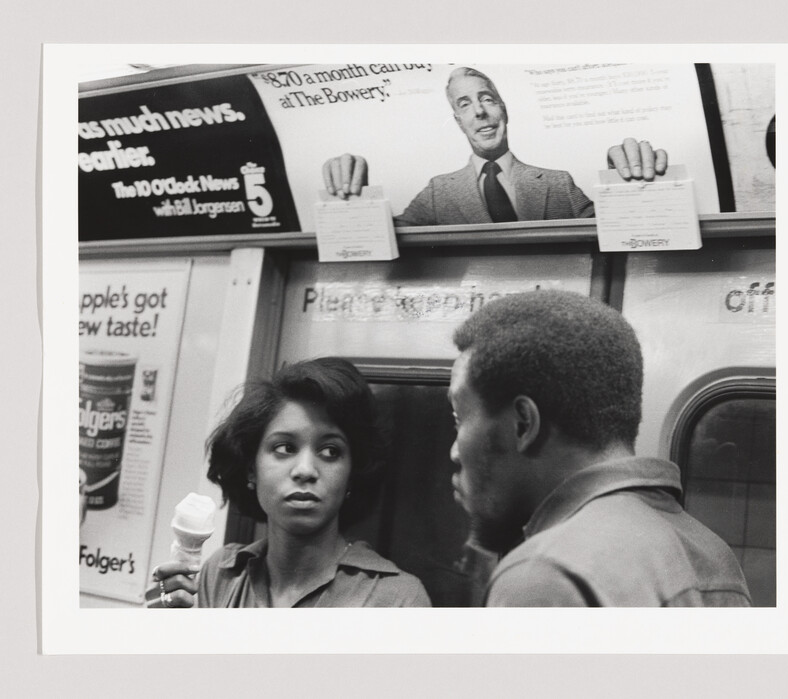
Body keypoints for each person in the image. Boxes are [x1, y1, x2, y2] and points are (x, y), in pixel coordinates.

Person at [447, 290, 752, 607]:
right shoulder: (712, 555)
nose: (455, 452)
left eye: (458, 417)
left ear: (523, 423)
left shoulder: (543, 574)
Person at [146, 357, 431, 608]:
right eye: (284, 448)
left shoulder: (397, 600)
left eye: (330, 451)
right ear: (250, 469)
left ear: (353, 473)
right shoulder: (220, 575)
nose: (305, 470)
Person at [322, 66, 668, 226]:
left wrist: (623, 182)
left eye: (487, 99)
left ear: (504, 110)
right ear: (458, 122)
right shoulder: (438, 193)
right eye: (464, 104)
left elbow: (620, 227)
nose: (480, 112)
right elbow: (387, 236)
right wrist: (356, 195)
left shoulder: (557, 183)